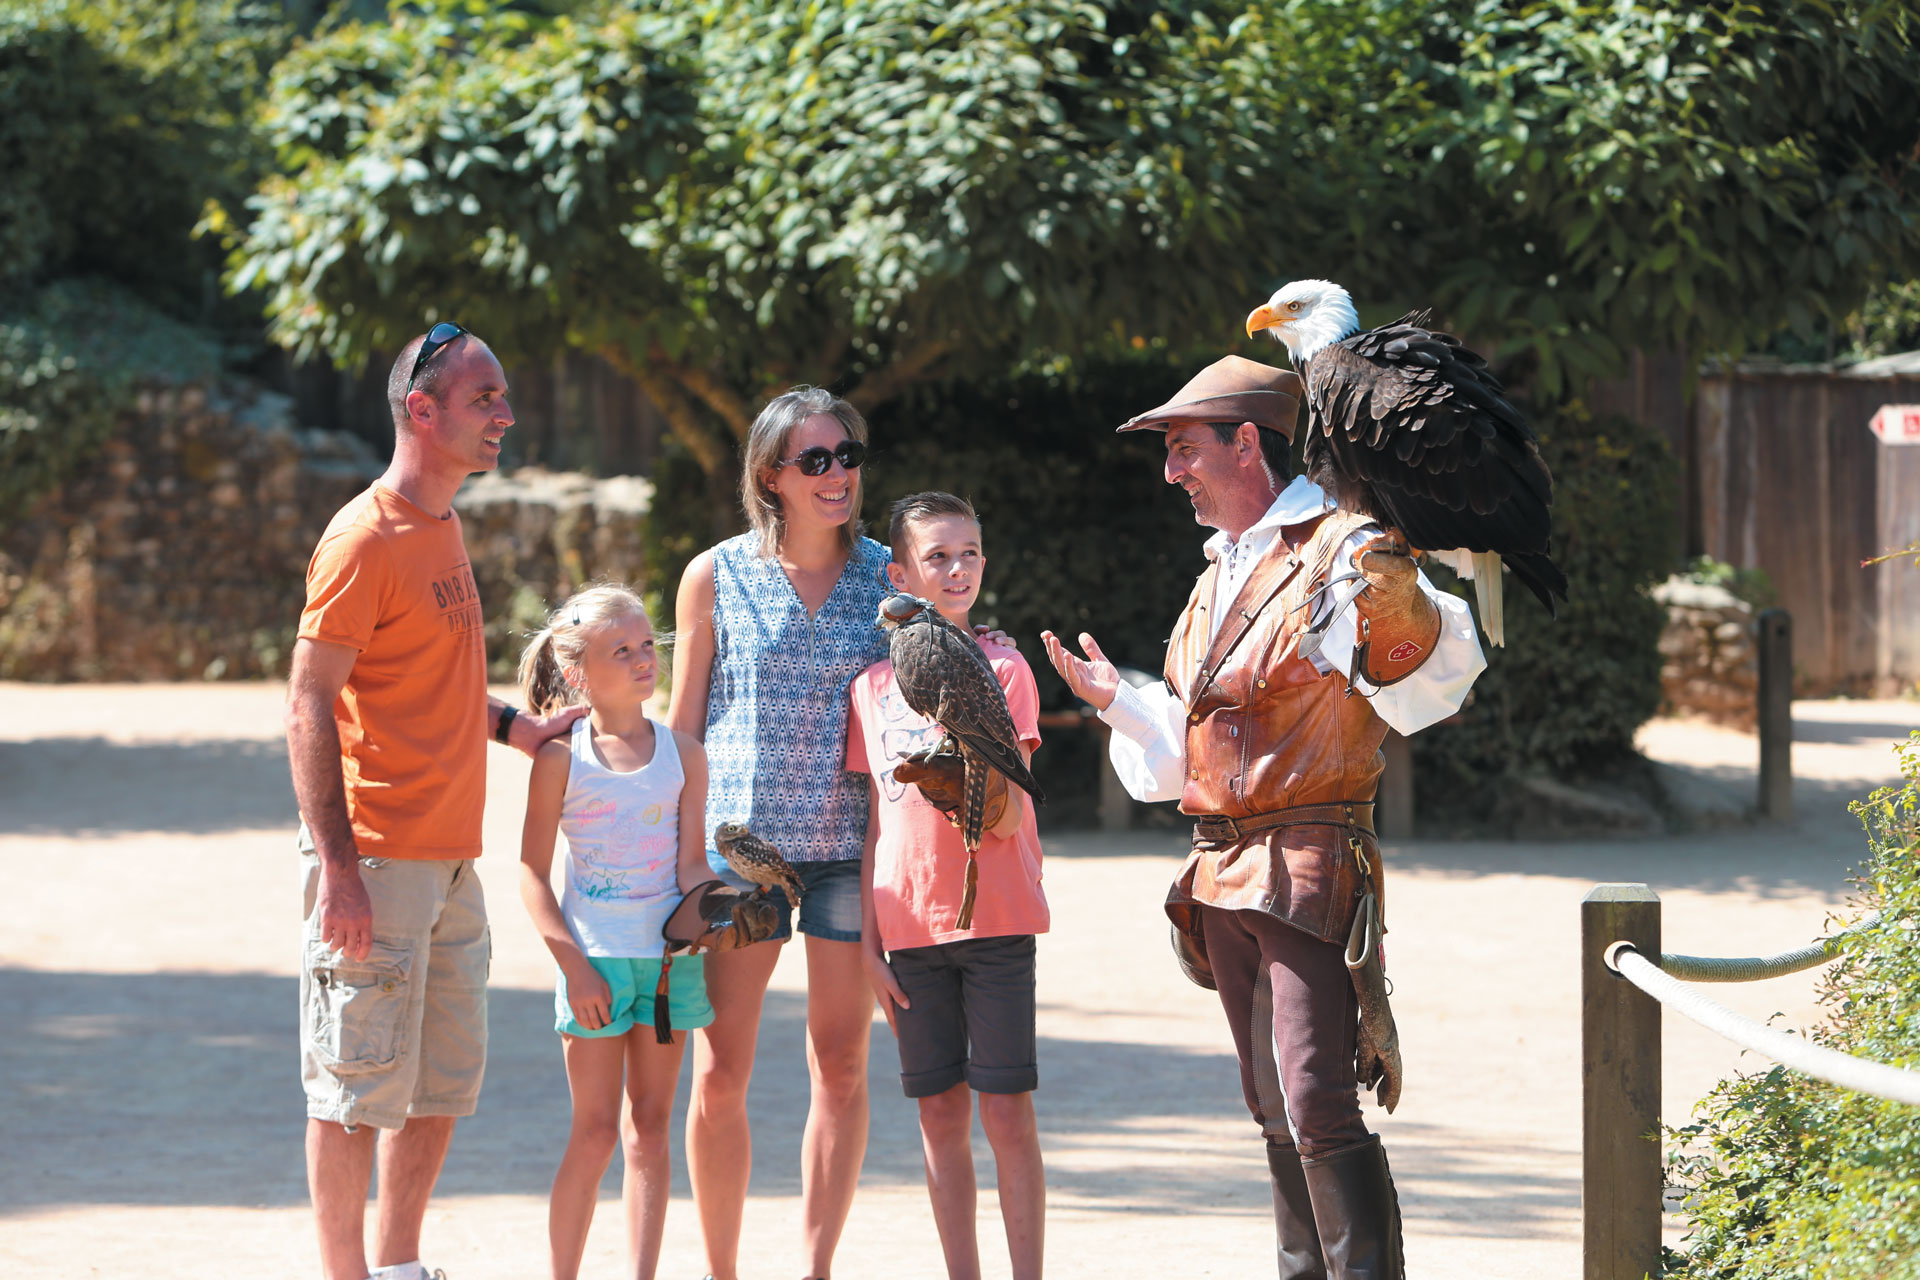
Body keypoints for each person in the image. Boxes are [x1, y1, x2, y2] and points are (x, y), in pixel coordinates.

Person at [1041, 356, 1487, 1280]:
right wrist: (1114, 699)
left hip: (1310, 855)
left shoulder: (1338, 550)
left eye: (1183, 448)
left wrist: (1402, 604)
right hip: (1220, 867)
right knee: (1270, 1100)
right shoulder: (1219, 572)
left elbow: (1433, 684)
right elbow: (1186, 759)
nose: (1171, 472)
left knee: (1317, 1094)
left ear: (1249, 443)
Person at [286, 322, 583, 1280]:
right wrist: (338, 871)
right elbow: (308, 706)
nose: (505, 414)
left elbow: (429, 678)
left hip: (453, 861)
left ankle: (401, 1266)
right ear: (422, 411)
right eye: (483, 398)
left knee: (441, 1086)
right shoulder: (364, 538)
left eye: (501, 396)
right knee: (352, 1090)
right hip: (375, 859)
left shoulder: (444, 523)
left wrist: (515, 730)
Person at [665, 386, 894, 1280]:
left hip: (848, 849)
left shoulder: (890, 574)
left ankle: (814, 1270)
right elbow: (684, 727)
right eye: (817, 461)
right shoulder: (713, 575)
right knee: (721, 1073)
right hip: (737, 853)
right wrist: (684, 859)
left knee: (839, 1065)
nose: (839, 474)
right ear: (773, 475)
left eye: (849, 456)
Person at [849, 491, 1049, 1280]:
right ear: (899, 574)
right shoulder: (869, 686)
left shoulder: (1003, 666)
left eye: (969, 553)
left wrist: (961, 779)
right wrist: (867, 944)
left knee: (1005, 1115)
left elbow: (1009, 810)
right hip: (905, 931)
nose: (956, 569)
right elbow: (873, 821)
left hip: (996, 918)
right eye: (937, 557)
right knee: (938, 1118)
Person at [516, 584, 713, 1280]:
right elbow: (532, 877)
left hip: (668, 971)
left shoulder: (685, 755)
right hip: (594, 971)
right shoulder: (559, 760)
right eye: (619, 650)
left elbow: (692, 865)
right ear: (577, 674)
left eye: (644, 646)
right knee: (596, 1132)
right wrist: (574, 968)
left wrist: (724, 906)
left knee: (651, 1132)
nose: (641, 660)